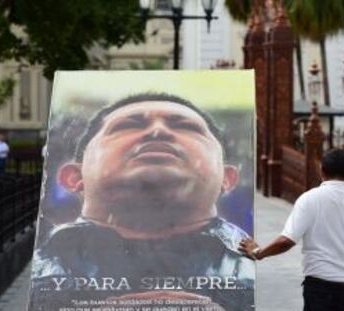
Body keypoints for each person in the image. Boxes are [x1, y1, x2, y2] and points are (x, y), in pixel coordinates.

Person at [29, 93, 254, 311]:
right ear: (74, 177)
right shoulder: (43, 266)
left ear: (227, 178)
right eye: (128, 125)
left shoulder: (250, 265)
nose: (158, 131)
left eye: (186, 126)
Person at [240, 149, 344, 311]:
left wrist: (259, 252)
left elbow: (286, 241)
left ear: (322, 171)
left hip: (319, 289)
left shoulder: (309, 200)